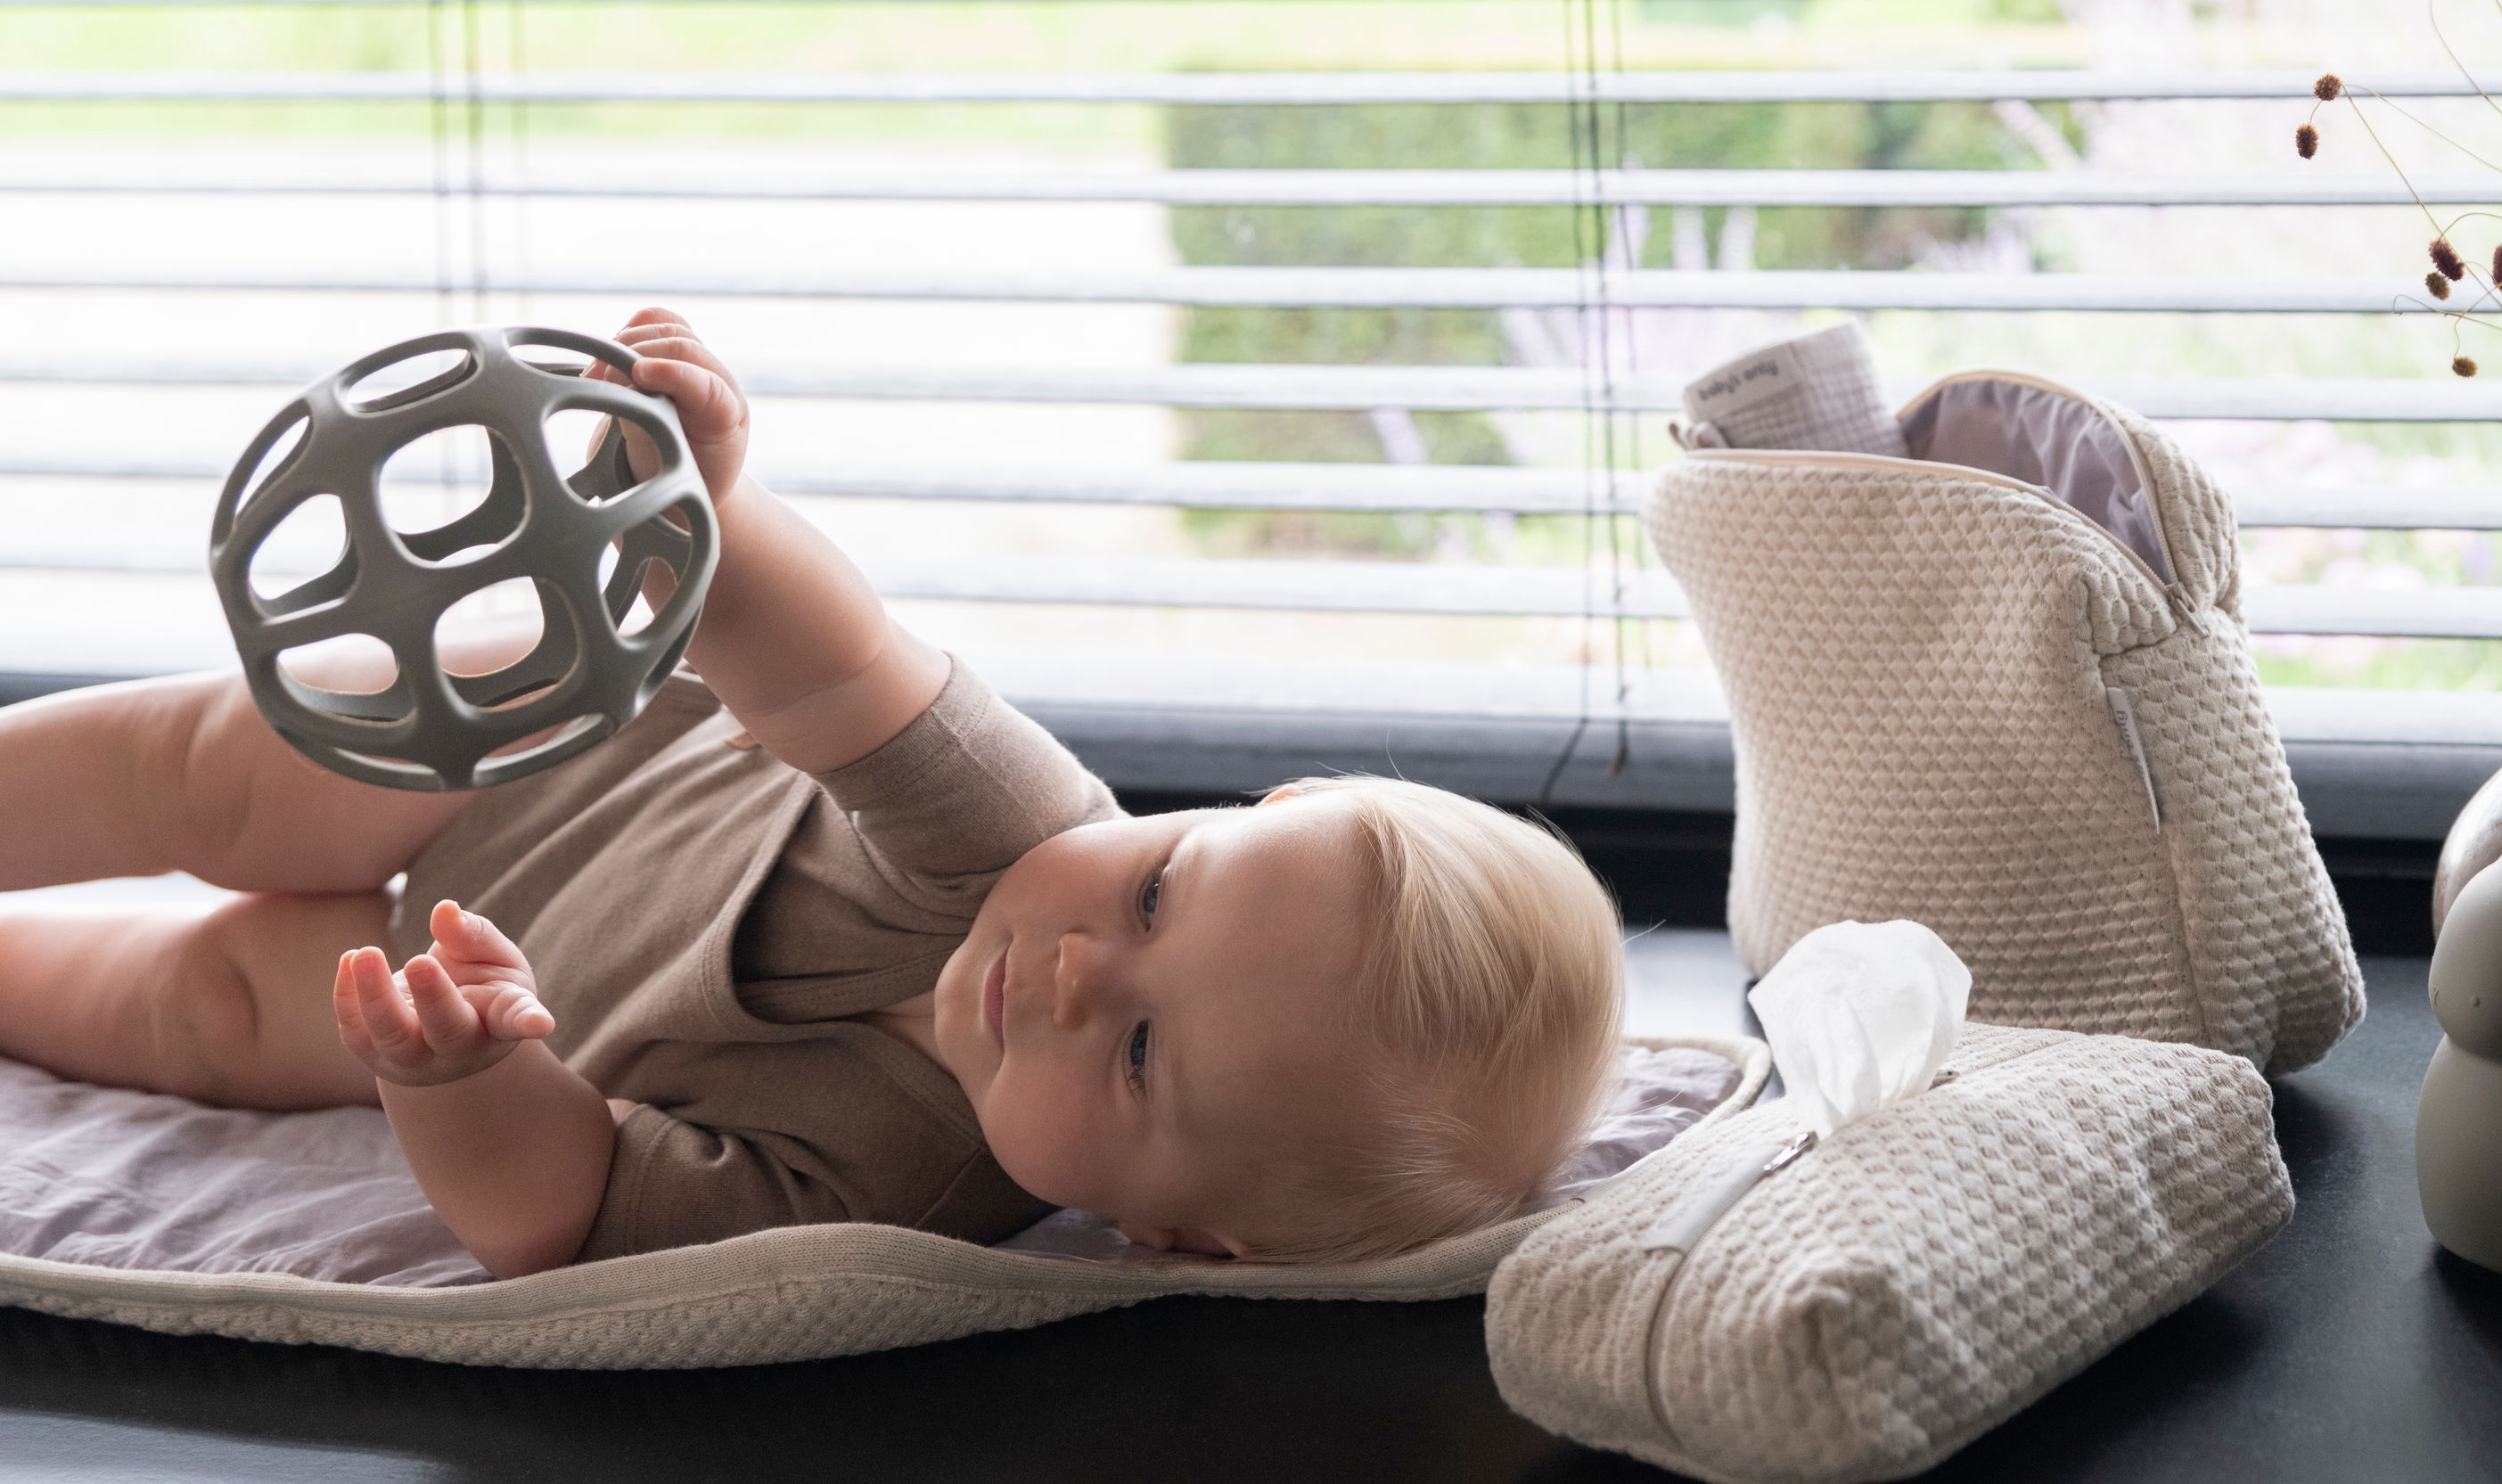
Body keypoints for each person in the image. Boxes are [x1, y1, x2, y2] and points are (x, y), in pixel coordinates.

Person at [0, 310, 1626, 1278]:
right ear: (1226, 815)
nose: (1071, 965)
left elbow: (564, 1215)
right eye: (1160, 894)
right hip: (547, 744)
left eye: (1141, 1053)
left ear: (1186, 1241)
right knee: (212, 778)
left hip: (470, 985)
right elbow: (835, 669)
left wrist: (467, 1079)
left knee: (202, 1010)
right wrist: (711, 504)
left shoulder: (889, 1192)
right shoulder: (1016, 822)